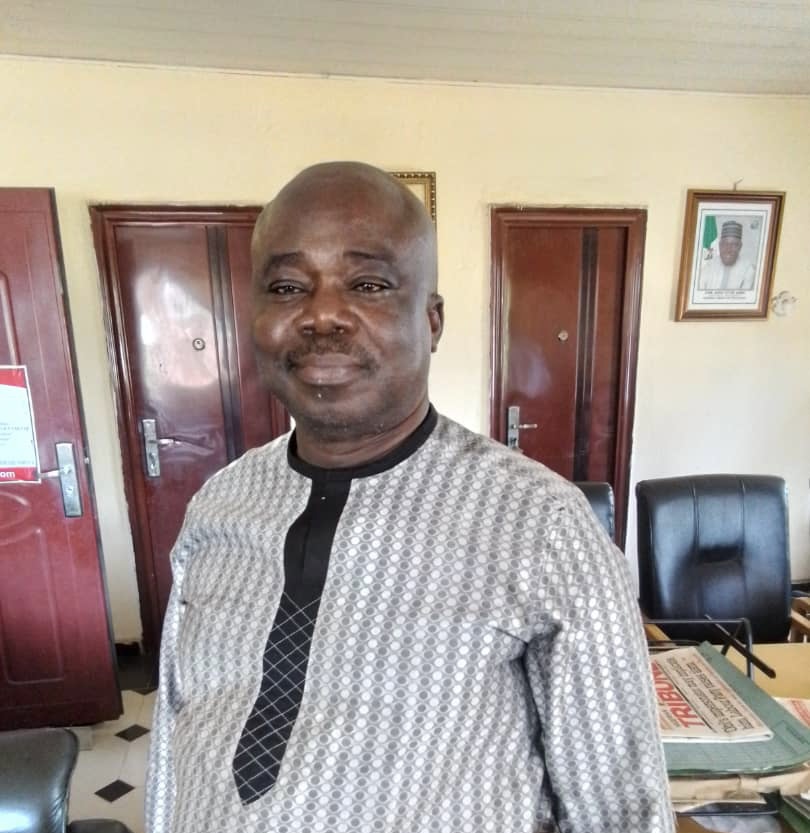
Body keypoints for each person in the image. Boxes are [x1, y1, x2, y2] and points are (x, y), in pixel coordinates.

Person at [145, 161, 674, 833]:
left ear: (432, 321)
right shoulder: (219, 506)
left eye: (368, 284)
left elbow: (621, 808)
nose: (322, 314)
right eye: (287, 287)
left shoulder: (540, 526)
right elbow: (177, 734)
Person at [698, 219, 756, 290]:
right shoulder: (709, 266)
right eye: (725, 244)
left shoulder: (748, 269)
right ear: (719, 245)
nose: (728, 249)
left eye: (734, 244)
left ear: (740, 247)